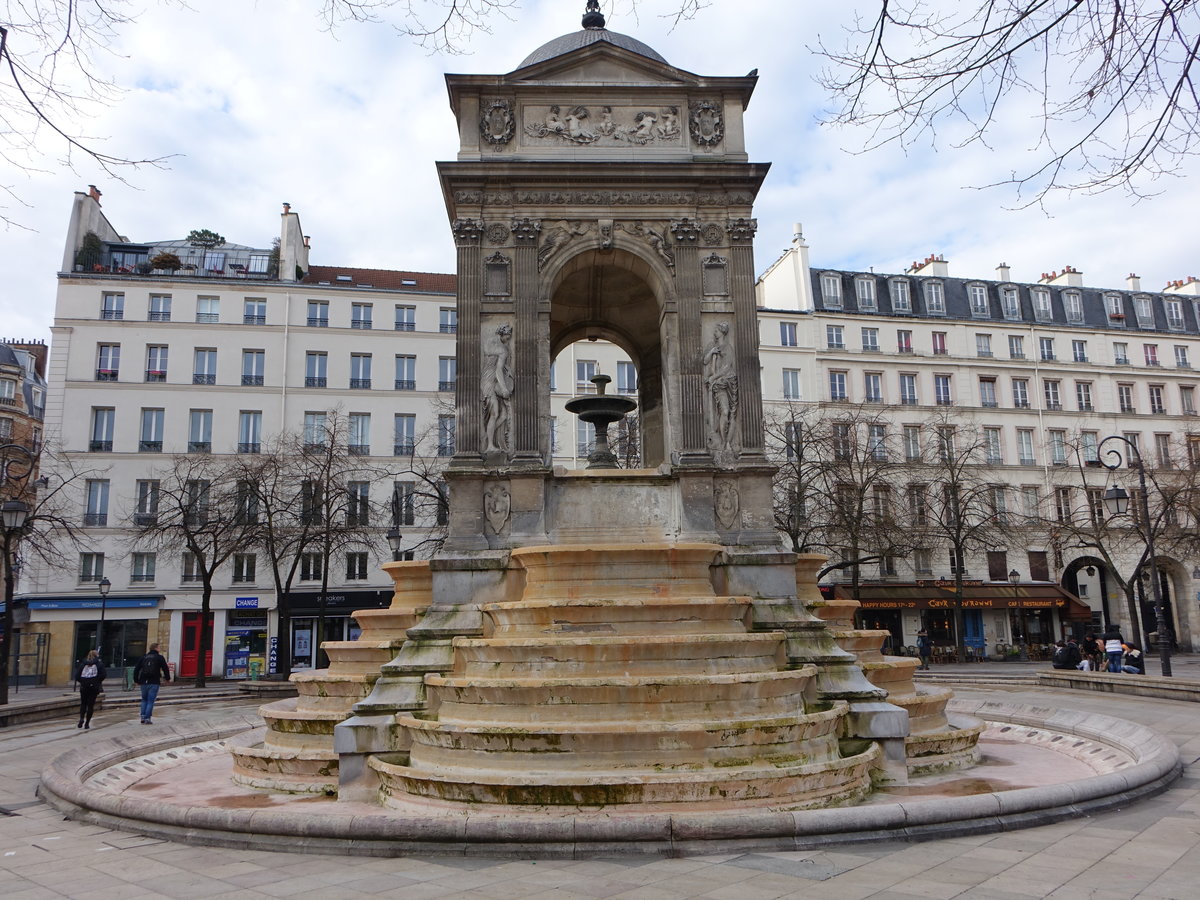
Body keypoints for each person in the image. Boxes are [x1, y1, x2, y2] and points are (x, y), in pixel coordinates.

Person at [133, 643, 171, 724]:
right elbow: (165, 668)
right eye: (159, 647)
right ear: (156, 648)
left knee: (144, 700)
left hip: (143, 681)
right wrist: (167, 678)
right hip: (154, 681)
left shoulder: (143, 657)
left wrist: (136, 680)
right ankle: (147, 718)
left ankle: (142, 716)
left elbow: (136, 669)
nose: (159, 648)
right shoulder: (159, 657)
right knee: (150, 701)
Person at [73, 649, 106, 729]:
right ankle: (87, 723)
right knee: (90, 705)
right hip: (94, 687)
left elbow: (77, 676)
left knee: (83, 703)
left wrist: (83, 681)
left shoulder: (83, 664)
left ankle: (81, 719)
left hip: (84, 686)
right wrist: (96, 681)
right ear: (96, 655)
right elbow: (103, 675)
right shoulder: (99, 664)